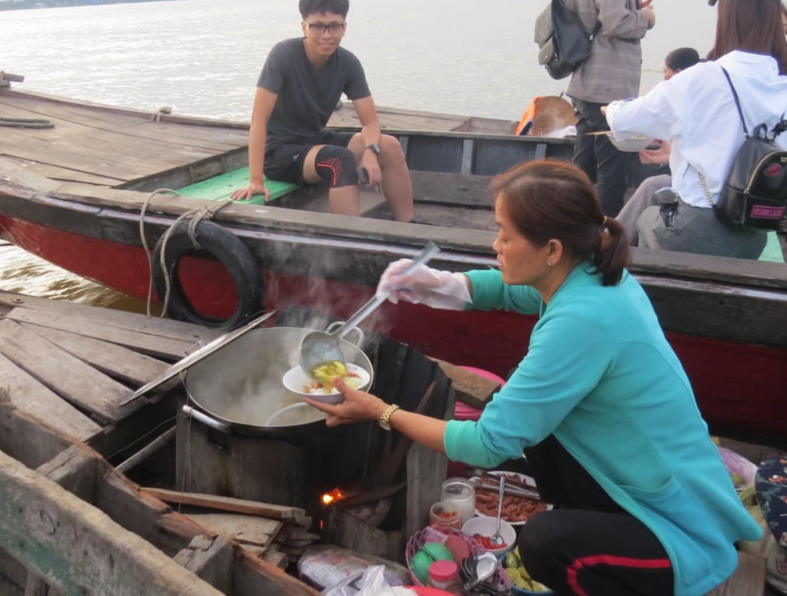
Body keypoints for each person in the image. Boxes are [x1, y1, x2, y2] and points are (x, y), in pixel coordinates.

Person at [305, 160, 761, 596]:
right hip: (637, 476)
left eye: (505, 236)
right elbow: (516, 289)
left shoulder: (581, 321)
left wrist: (381, 411)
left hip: (677, 524)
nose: (495, 246)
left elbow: (485, 444)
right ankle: (591, 524)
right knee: (528, 418)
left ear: (551, 250)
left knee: (544, 543)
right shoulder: (590, 274)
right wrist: (442, 284)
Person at [606, 0, 787, 259]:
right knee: (654, 188)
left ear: (725, 21)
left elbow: (625, 121)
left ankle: (617, 273)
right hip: (752, 238)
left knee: (646, 219)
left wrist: (612, 108)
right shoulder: (781, 83)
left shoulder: (705, 76)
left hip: (696, 230)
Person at [230, 0, 414, 221]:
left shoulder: (348, 63)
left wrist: (371, 152)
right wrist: (256, 180)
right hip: (280, 153)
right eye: (317, 26)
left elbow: (370, 122)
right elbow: (258, 121)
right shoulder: (283, 55)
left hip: (315, 140)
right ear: (304, 26)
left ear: (344, 27)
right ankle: (353, 242)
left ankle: (409, 231)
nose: (326, 35)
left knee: (389, 146)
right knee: (340, 159)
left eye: (334, 26)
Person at [565, 0, 656, 218]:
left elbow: (595, 16)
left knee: (583, 167)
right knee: (612, 173)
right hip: (607, 85)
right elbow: (615, 22)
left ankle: (567, 222)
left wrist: (633, 10)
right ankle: (606, 239)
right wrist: (647, 18)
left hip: (586, 81)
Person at [616, 48, 700, 243]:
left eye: (666, 72)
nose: (664, 78)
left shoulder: (687, 104)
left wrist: (611, 110)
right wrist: (665, 157)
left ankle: (615, 239)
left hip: (702, 197)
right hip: (709, 188)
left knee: (652, 185)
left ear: (678, 74)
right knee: (655, 183)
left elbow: (624, 118)